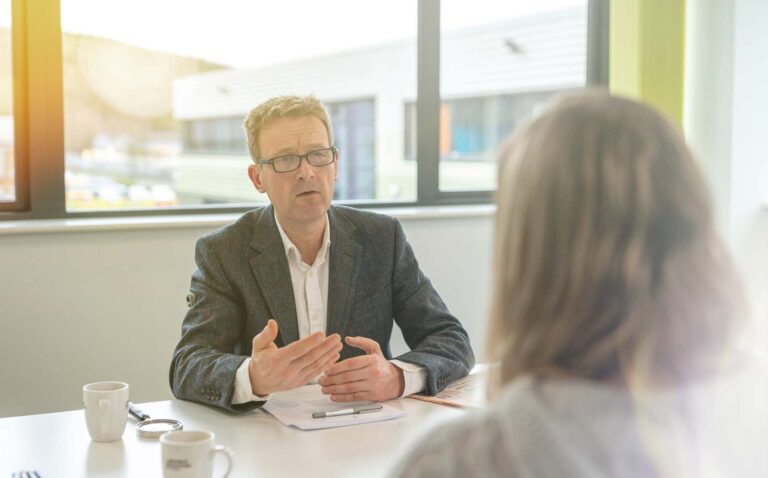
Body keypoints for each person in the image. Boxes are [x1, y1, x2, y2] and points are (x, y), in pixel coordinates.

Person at [392, 92, 767, 477]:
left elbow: (450, 339)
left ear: (528, 256)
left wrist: (399, 373)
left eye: (325, 154)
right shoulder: (753, 413)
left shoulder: (461, 460)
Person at [169, 95, 474, 412]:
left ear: (336, 163)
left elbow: (452, 340)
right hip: (268, 438)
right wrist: (254, 376)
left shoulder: (382, 239)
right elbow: (187, 365)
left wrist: (396, 377)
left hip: (365, 433)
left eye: (318, 155)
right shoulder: (225, 251)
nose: (306, 173)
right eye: (286, 160)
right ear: (258, 178)